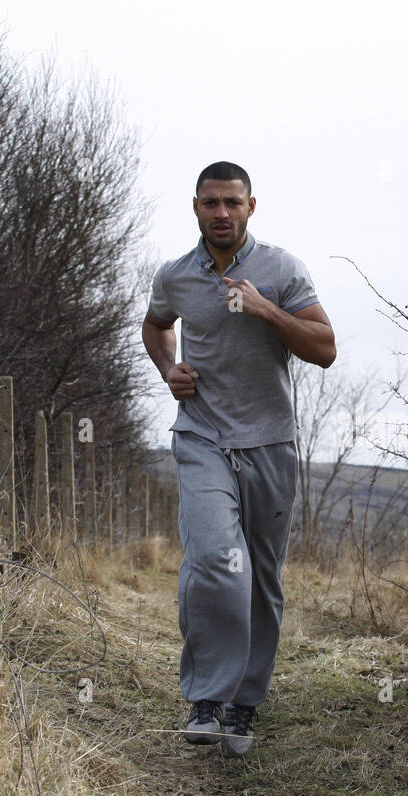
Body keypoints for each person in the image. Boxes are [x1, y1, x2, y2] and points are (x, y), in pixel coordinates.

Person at [142, 161, 336, 756]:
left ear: (252, 205)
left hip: (270, 441)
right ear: (194, 208)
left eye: (232, 202)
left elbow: (324, 349)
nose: (221, 213)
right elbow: (155, 326)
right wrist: (168, 369)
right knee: (214, 560)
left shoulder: (281, 270)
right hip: (201, 436)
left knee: (260, 579)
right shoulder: (176, 276)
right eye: (210, 203)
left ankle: (244, 706)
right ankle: (207, 696)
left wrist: (266, 311)